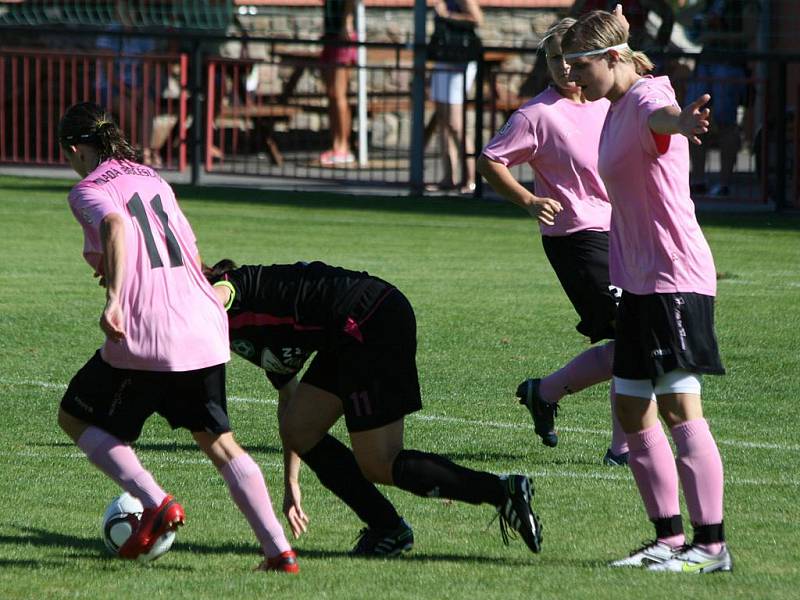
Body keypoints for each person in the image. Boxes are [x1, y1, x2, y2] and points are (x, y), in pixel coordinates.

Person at [56, 102, 297, 573]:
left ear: (74, 149)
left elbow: (115, 226)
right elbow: (183, 244)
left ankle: (155, 501)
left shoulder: (86, 189)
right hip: (203, 323)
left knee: (74, 417)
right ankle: (279, 551)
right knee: (220, 442)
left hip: (148, 331)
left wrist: (116, 298)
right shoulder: (153, 178)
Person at [204, 259, 543, 556]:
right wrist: (291, 482)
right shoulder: (243, 335)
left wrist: (192, 309)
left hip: (370, 320)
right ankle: (388, 529)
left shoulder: (228, 292)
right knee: (300, 427)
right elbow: (289, 400)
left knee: (380, 462)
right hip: (347, 332)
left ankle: (501, 491)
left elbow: (219, 297)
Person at [563, 10, 731, 573]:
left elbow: (664, 119)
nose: (572, 77)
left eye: (580, 66)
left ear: (613, 59)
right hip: (636, 278)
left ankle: (711, 547)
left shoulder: (645, 99)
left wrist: (683, 123)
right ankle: (668, 539)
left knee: (680, 405)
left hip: (672, 277)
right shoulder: (611, 108)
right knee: (631, 408)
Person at [477, 17, 630, 467]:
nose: (565, 68)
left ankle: (542, 393)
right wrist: (527, 199)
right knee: (633, 334)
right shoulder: (537, 115)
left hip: (619, 231)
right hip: (576, 238)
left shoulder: (608, 104)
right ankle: (623, 449)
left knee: (634, 337)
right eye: (555, 59)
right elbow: (491, 161)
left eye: (572, 58)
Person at [685, 0, 760, 197]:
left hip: (730, 65)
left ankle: (724, 183)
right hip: (705, 64)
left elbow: (748, 34)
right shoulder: (708, 4)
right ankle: (698, 180)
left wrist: (714, 35)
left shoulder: (745, 5)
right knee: (696, 120)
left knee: (727, 123)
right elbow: (688, 22)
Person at [427, 0, 483, 193]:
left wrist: (447, 15)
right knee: (442, 121)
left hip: (460, 61)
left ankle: (470, 178)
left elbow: (477, 19)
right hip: (443, 58)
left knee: (455, 124)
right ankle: (448, 177)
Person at [319, 0, 358, 166]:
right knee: (331, 94)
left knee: (339, 93)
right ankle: (336, 144)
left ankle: (344, 146)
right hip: (330, 35)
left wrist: (347, 22)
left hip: (343, 37)